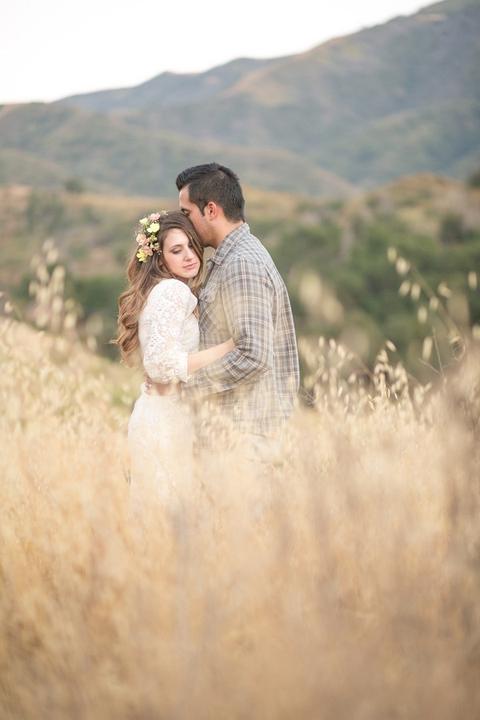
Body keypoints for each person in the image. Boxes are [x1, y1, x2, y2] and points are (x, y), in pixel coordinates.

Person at [149, 163, 300, 461]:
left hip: (244, 435)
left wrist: (186, 386)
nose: (185, 222)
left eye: (187, 213)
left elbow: (253, 355)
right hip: (233, 433)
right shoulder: (231, 259)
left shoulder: (242, 264)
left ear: (211, 210)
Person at [116, 210, 234, 512]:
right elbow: (160, 364)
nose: (190, 256)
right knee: (170, 516)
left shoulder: (162, 290)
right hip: (165, 421)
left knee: (161, 516)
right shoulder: (172, 291)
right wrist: (228, 347)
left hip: (158, 412)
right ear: (160, 259)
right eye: (176, 250)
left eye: (191, 245)